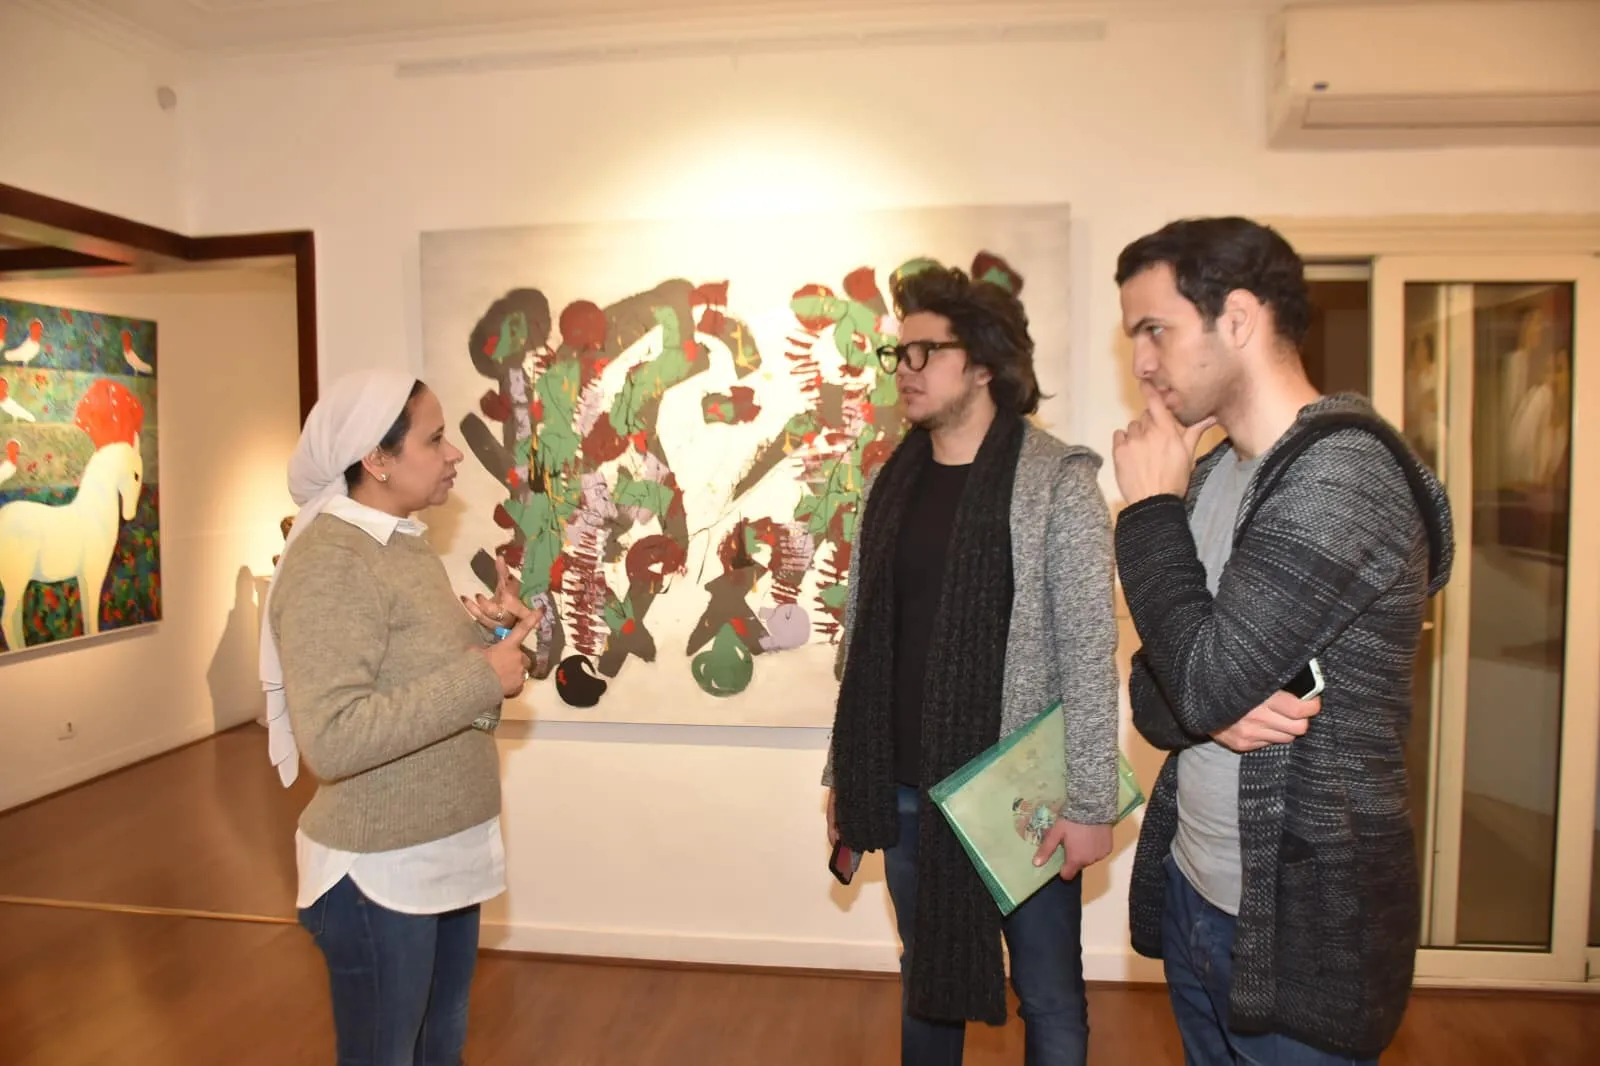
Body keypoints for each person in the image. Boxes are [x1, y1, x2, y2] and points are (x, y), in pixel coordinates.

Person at [1109, 217, 1454, 1065]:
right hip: (1196, 885)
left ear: (1236, 318)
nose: (1141, 363)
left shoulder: (1344, 475)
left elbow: (1194, 680)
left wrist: (1148, 512)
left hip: (1304, 928)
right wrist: (1211, 705)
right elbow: (1155, 694)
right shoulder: (1211, 474)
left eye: (1155, 330)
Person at [822, 261, 1121, 1066]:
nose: (905, 370)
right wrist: (847, 777)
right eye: (900, 353)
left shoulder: (1058, 484)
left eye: (927, 352)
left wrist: (1092, 803)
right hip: (906, 789)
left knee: (1050, 996)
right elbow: (863, 645)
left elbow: (1090, 656)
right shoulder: (891, 482)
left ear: (984, 364)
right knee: (926, 983)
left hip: (1021, 796)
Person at [260, 369, 541, 1066]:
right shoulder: (332, 562)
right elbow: (334, 737)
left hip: (439, 854)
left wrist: (491, 646)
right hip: (380, 874)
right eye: (435, 439)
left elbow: (423, 688)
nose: (454, 453)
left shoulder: (402, 544)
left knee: (438, 1050)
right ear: (377, 459)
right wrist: (481, 676)